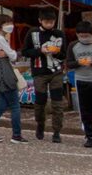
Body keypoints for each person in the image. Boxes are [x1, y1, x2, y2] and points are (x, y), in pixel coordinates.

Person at [26, 12, 66, 142]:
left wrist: (58, 52)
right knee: (40, 101)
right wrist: (40, 51)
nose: (49, 24)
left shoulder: (59, 34)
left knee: (57, 103)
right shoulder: (33, 33)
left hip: (56, 72)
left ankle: (57, 131)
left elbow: (64, 54)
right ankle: (40, 124)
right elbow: (25, 51)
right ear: (40, 21)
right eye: (46, 22)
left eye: (52, 22)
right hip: (39, 72)